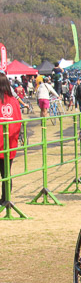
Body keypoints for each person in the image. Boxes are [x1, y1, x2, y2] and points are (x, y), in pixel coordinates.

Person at [0, 73, 22, 205]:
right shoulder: (13, 101)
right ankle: (6, 198)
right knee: (6, 174)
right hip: (9, 144)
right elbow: (18, 121)